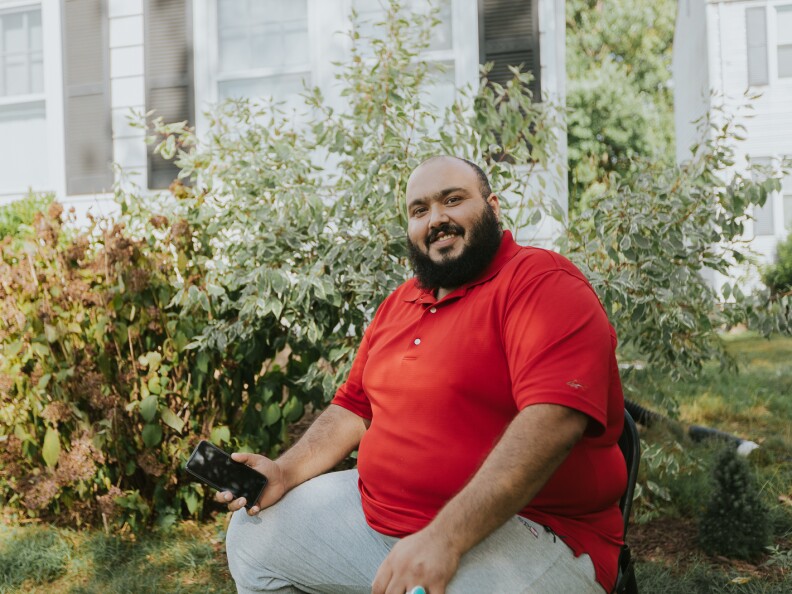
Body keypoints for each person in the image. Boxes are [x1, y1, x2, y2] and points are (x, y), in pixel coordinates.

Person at [217, 156, 626, 594]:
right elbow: (353, 409)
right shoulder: (400, 302)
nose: (437, 219)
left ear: (493, 206)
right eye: (420, 210)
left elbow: (554, 420)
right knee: (254, 535)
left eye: (453, 200)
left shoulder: (541, 282)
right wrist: (283, 472)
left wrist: (444, 538)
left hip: (529, 532)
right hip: (387, 523)